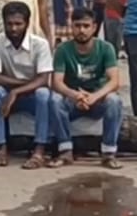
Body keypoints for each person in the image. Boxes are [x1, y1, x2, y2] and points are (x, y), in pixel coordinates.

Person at [0, 2, 60, 169]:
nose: (13, 28)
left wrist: (16, 91)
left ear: (27, 23)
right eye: (9, 24)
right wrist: (23, 85)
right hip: (10, 94)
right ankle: (1, 147)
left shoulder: (40, 44)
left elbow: (43, 80)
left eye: (18, 24)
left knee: (43, 94)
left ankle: (39, 149)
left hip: (30, 95)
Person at [52, 9, 125, 169]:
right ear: (71, 26)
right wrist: (75, 95)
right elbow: (57, 82)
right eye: (77, 26)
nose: (82, 30)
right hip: (73, 101)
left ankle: (108, 153)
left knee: (114, 100)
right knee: (55, 100)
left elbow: (114, 81)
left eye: (86, 26)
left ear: (94, 27)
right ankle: (65, 150)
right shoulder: (63, 50)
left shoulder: (106, 48)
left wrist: (94, 97)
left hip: (97, 100)